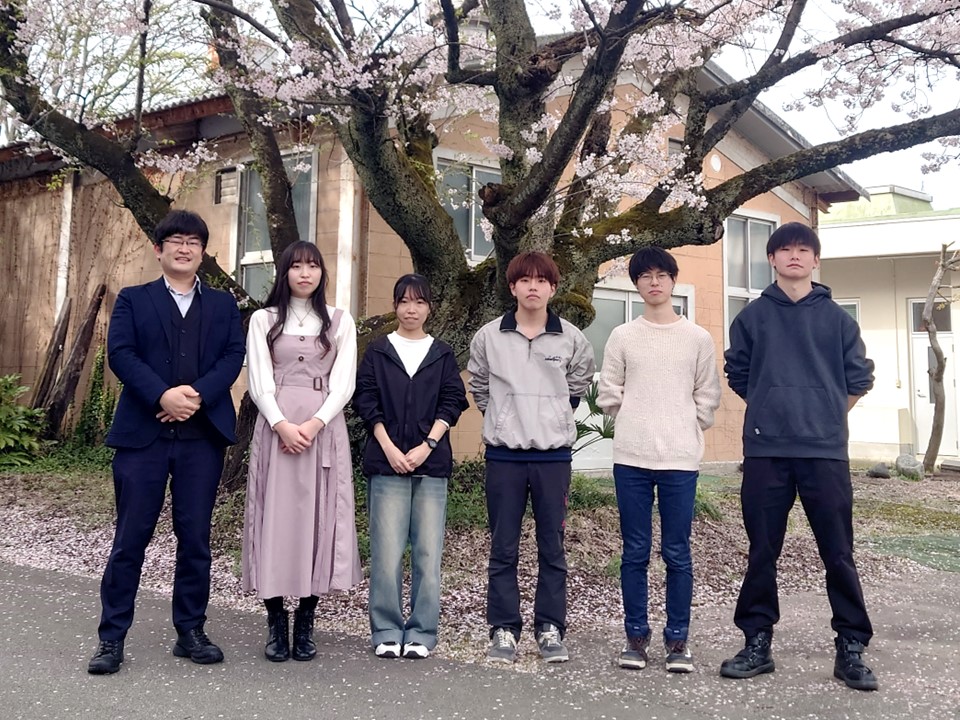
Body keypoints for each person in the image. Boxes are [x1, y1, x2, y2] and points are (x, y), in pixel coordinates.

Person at [721, 222, 878, 691]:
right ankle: (756, 642)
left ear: (815, 260)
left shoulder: (838, 320)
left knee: (838, 552)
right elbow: (739, 373)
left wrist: (825, 414)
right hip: (766, 450)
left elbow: (859, 378)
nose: (794, 256)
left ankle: (851, 647)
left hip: (824, 452)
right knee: (761, 551)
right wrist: (771, 408)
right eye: (785, 249)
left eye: (803, 249)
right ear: (771, 259)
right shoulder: (752, 317)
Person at [88, 210, 246, 675]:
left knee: (195, 538)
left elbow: (232, 355)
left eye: (193, 242)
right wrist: (162, 395)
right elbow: (121, 353)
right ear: (159, 250)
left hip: (201, 436)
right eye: (175, 240)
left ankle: (191, 630)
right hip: (143, 436)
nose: (184, 248)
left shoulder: (222, 305)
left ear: (203, 252)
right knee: (130, 538)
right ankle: (111, 638)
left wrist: (195, 396)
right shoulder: (134, 300)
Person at [467, 251, 596, 665]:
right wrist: (504, 418)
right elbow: (480, 386)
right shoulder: (488, 337)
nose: (533, 287)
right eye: (525, 280)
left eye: (542, 280)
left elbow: (577, 384)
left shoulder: (571, 338)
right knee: (503, 547)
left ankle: (550, 627)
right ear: (513, 287)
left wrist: (552, 415)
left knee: (552, 546)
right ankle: (504, 628)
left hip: (553, 457)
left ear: (553, 288)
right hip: (504, 456)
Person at [597, 247, 721, 673]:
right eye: (645, 276)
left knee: (677, 552)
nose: (654, 282)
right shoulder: (623, 336)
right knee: (634, 551)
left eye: (662, 275)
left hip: (680, 460)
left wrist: (684, 425)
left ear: (672, 280)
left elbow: (708, 396)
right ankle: (635, 637)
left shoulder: (697, 338)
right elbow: (608, 391)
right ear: (636, 283)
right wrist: (635, 419)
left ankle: (677, 640)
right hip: (631, 458)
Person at [242, 240, 362, 663]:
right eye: (297, 266)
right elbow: (259, 379)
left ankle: (307, 619)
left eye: (313, 266)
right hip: (276, 426)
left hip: (321, 428)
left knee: (319, 519)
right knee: (272, 518)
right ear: (285, 272)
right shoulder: (264, 320)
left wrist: (313, 424)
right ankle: (275, 620)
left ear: (322, 273)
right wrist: (280, 424)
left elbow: (343, 384)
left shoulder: (340, 321)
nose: (305, 273)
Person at [353, 274, 469, 660]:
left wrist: (428, 445)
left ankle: (422, 630)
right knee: (386, 554)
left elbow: (452, 401)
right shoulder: (379, 351)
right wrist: (388, 447)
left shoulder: (441, 353)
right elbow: (366, 400)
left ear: (429, 308)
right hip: (386, 464)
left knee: (427, 553)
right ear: (394, 306)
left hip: (430, 465)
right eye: (404, 301)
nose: (411, 309)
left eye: (419, 302)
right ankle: (386, 629)